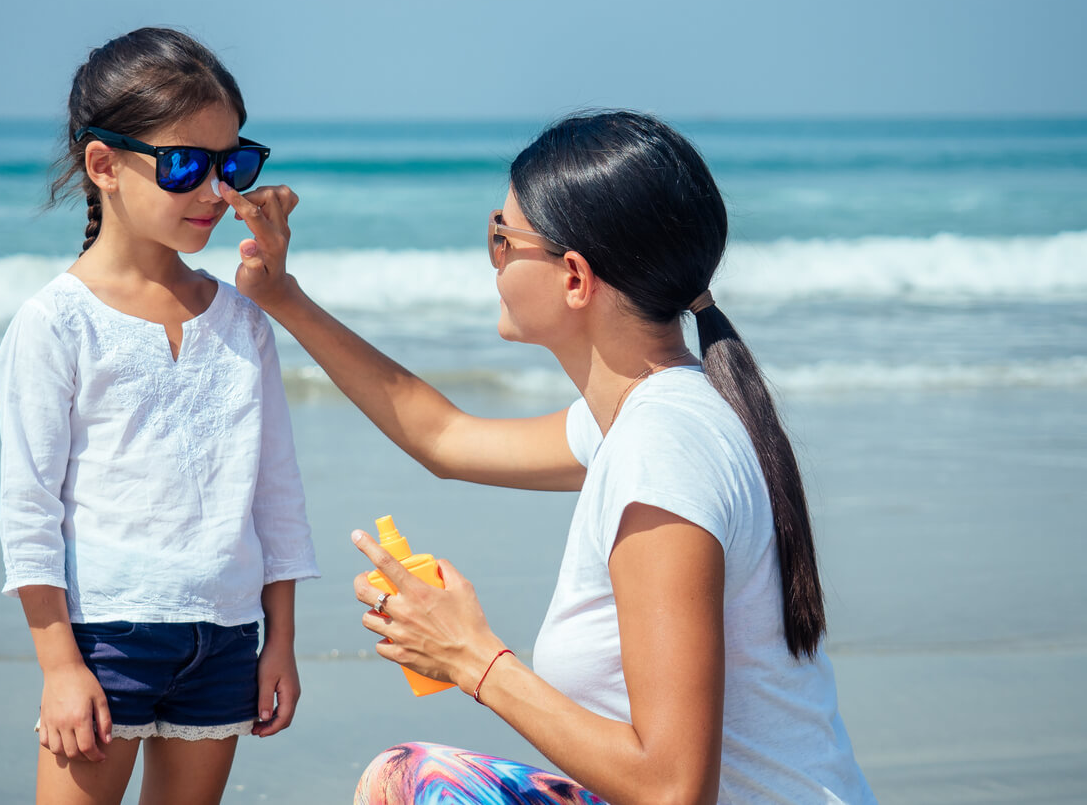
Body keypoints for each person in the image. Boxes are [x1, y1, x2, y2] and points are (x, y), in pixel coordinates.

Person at [228, 111, 877, 804]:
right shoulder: (658, 413)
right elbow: (442, 438)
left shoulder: (660, 451)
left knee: (412, 782)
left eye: (502, 239)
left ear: (574, 278)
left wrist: (471, 656)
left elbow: (673, 788)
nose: (494, 258)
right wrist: (281, 296)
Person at [0, 27, 317, 805]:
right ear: (103, 165)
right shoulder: (56, 324)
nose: (216, 192)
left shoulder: (243, 321)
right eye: (183, 165)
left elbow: (274, 495)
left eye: (232, 164)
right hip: (105, 641)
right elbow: (29, 512)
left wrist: (282, 641)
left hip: (229, 639)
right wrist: (61, 667)